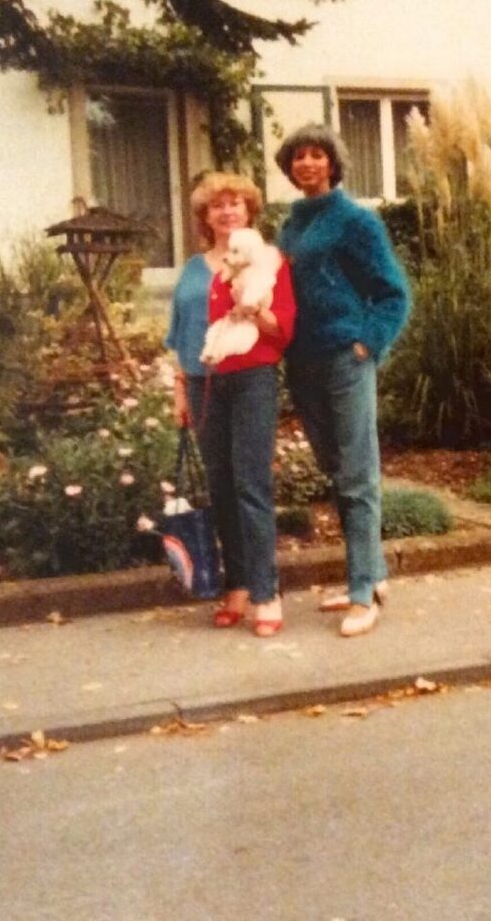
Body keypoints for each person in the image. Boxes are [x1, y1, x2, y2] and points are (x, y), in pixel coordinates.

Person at [274, 125, 410, 637]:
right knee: (336, 469)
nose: (307, 163)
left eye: (317, 155)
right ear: (289, 168)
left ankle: (361, 594)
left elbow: (393, 293)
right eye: (298, 156)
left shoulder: (356, 220)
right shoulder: (290, 226)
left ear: (333, 163)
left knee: (357, 473)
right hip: (302, 362)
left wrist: (366, 343)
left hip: (344, 358)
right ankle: (373, 575)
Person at [165, 172, 295, 637]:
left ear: (249, 210)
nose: (227, 212)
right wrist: (180, 391)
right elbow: (180, 335)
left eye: (235, 203)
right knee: (221, 486)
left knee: (251, 485)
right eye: (216, 205)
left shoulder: (268, 262)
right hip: (203, 384)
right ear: (205, 216)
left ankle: (266, 591)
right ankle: (237, 585)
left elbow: (283, 329)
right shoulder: (193, 270)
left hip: (252, 379)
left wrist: (255, 310)